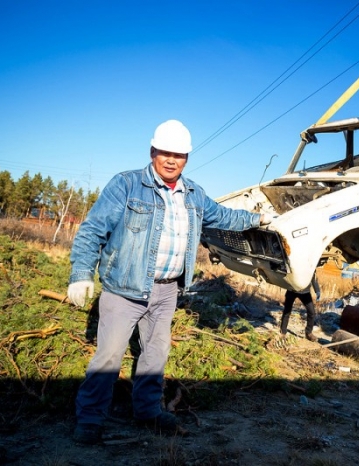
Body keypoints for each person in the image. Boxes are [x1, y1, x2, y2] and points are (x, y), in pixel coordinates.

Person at [67, 119, 271, 445]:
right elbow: (93, 229)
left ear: (187, 157)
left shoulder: (193, 194)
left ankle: (147, 412)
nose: (172, 160)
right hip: (124, 289)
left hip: (166, 290)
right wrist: (80, 274)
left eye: (179, 154)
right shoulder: (127, 185)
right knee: (108, 357)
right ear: (153, 151)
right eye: (166, 153)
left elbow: (222, 216)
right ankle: (90, 419)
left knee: (155, 355)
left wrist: (257, 219)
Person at [280, 272, 320, 342]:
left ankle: (309, 333)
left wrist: (317, 291)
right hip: (292, 289)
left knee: (312, 312)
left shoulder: (310, 263)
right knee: (287, 311)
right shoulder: (296, 262)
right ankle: (283, 332)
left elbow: (313, 277)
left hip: (305, 292)